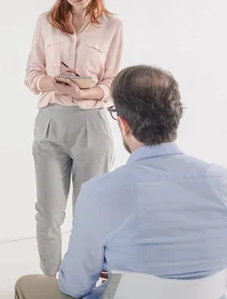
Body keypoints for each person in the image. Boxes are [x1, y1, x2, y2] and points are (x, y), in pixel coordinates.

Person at [15, 65, 227, 299]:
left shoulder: (99, 192)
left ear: (124, 124)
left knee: (27, 285)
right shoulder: (221, 181)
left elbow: (74, 285)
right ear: (176, 116)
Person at [24, 0, 123, 277]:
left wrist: (87, 91)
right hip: (51, 121)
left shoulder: (112, 26)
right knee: (49, 213)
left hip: (91, 126)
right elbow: (31, 75)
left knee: (89, 212)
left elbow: (112, 83)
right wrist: (50, 82)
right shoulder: (46, 23)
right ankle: (51, 284)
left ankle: (84, 278)